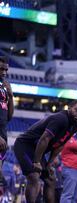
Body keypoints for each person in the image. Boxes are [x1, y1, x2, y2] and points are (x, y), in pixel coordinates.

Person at [13, 100, 77, 203]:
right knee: (34, 176)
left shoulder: (76, 125)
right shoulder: (60, 119)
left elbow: (61, 144)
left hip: (38, 150)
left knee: (50, 179)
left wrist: (49, 164)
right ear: (69, 108)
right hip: (25, 145)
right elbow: (44, 139)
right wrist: (37, 162)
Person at [0, 56, 14, 188]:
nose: (4, 72)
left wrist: (10, 95)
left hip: (3, 133)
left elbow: (9, 116)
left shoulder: (4, 86)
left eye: (6, 69)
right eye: (1, 69)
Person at [60, 135, 77, 203]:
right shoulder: (66, 138)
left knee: (75, 196)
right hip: (70, 168)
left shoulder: (73, 139)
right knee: (68, 194)